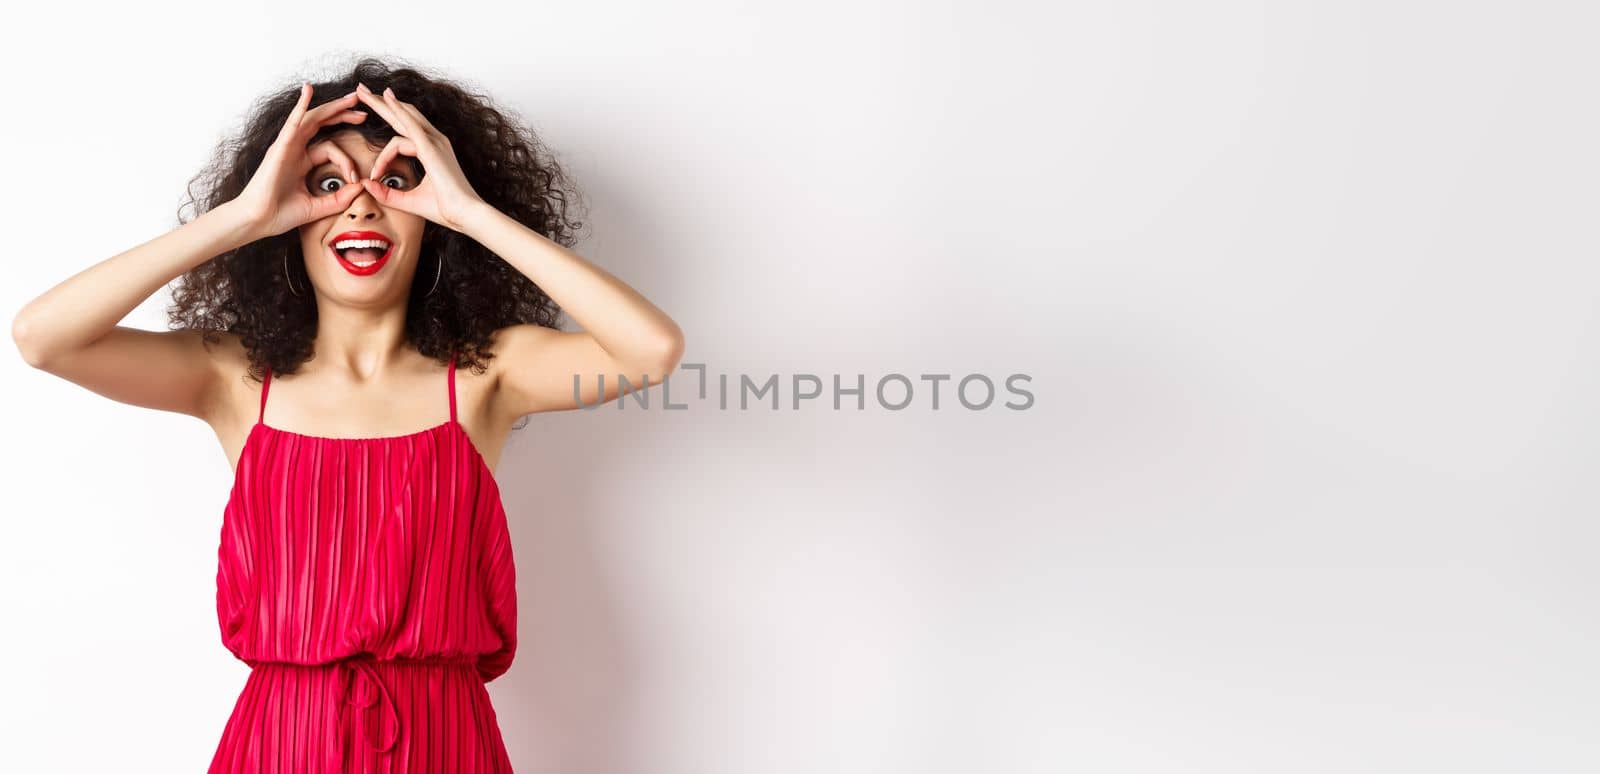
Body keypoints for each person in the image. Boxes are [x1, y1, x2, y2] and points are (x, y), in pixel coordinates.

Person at [10, 57, 685, 772]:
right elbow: (42, 337)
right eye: (327, 184)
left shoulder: (489, 374)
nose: (361, 205)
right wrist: (241, 216)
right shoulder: (234, 377)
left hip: (442, 741)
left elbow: (652, 350)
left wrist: (472, 212)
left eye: (396, 181)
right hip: (280, 740)